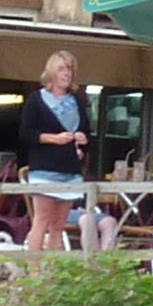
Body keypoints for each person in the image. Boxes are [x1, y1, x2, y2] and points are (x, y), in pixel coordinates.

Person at [18, 53, 93, 251]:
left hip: (70, 171)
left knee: (58, 227)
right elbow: (25, 134)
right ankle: (35, 272)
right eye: (62, 69)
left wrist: (82, 142)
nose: (66, 73)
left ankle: (51, 272)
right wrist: (54, 139)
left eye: (69, 69)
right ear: (51, 72)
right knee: (42, 222)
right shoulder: (37, 99)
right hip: (44, 170)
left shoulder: (77, 101)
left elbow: (87, 133)